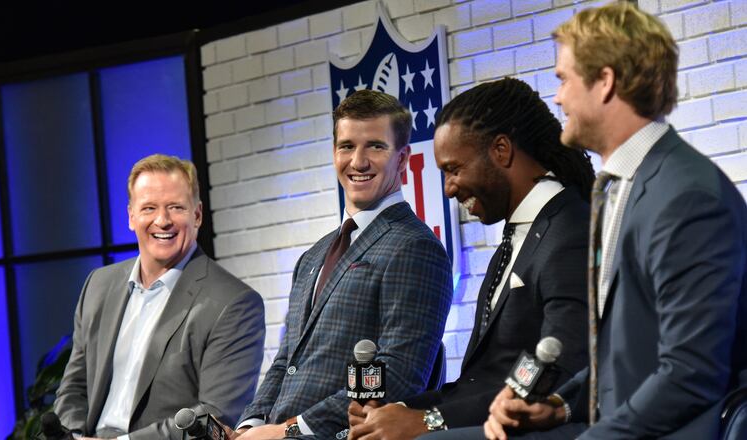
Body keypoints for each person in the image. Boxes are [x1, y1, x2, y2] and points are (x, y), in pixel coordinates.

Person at [480, 2, 747, 439]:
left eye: (563, 79)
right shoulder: (620, 185)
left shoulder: (688, 197)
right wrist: (561, 407)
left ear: (605, 81)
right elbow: (631, 356)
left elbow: (692, 372)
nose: (558, 97)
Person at [347, 78, 594, 440]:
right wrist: (400, 410)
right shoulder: (514, 244)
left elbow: (559, 371)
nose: (448, 188)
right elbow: (481, 381)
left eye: (454, 169)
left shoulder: (571, 230)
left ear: (501, 150)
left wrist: (429, 422)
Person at [231, 90, 454, 439]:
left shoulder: (416, 247)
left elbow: (397, 377)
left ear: (403, 158)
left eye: (376, 146)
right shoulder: (312, 257)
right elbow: (286, 360)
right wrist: (251, 425)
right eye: (347, 146)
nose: (358, 161)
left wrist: (289, 431)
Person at [54, 154, 266, 439]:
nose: (162, 220)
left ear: (198, 214)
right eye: (149, 208)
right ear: (131, 216)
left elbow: (214, 416)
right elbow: (73, 387)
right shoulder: (98, 284)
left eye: (176, 207)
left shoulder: (235, 303)